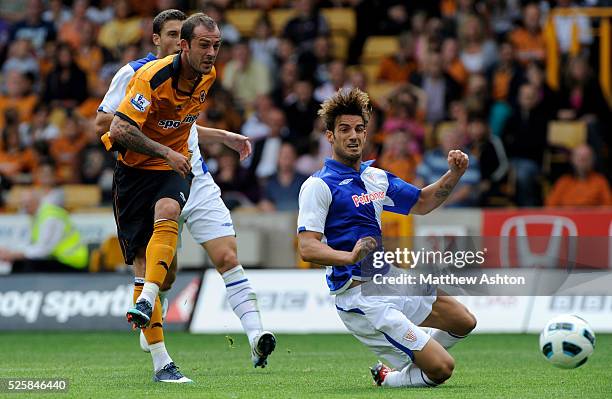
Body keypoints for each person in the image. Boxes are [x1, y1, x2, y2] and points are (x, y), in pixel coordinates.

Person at [96, 11, 275, 382]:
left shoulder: (203, 75)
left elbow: (182, 121)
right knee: (160, 272)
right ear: (163, 41)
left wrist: (221, 136)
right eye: (177, 35)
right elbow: (108, 124)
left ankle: (255, 333)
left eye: (213, 45)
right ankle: (157, 341)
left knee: (218, 251)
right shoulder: (137, 75)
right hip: (142, 171)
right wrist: (162, 150)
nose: (207, 51)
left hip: (188, 171)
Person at [297, 88, 476, 389]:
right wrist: (349, 257)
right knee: (442, 369)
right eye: (344, 130)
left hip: (390, 278)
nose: (353, 136)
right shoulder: (318, 186)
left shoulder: (376, 178)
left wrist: (453, 174)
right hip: (361, 299)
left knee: (464, 321)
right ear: (330, 136)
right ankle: (390, 377)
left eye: (359, 129)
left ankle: (418, 354)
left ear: (366, 134)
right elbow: (308, 246)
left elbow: (421, 203)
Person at [0, 188, 88, 272]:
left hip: (71, 261)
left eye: (27, 204)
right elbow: (31, 244)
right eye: (22, 204)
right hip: (58, 259)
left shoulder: (50, 217)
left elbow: (43, 251)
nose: (24, 208)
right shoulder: (38, 216)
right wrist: (11, 252)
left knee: (23, 265)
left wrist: (15, 255)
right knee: (19, 262)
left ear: (36, 201)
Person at [546, 144, 612, 207]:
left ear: (593, 160)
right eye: (579, 157)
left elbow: (608, 207)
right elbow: (550, 206)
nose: (583, 161)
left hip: (592, 217)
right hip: (568, 217)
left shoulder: (600, 181)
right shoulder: (563, 182)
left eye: (587, 158)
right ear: (572, 159)